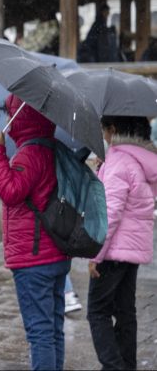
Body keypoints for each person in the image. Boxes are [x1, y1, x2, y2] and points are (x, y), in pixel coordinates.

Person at [0, 95, 71, 371]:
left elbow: (11, 192)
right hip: (55, 252)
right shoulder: (52, 148)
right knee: (53, 329)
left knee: (39, 332)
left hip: (34, 259)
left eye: (10, 113)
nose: (8, 120)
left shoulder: (30, 153)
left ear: (21, 116)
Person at [86, 115, 157, 370]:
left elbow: (110, 214)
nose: (103, 135)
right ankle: (127, 365)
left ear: (113, 129)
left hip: (113, 251)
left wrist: (95, 255)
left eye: (104, 129)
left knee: (97, 312)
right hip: (132, 250)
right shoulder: (141, 159)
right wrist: (104, 169)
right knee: (126, 312)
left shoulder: (119, 161)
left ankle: (115, 367)